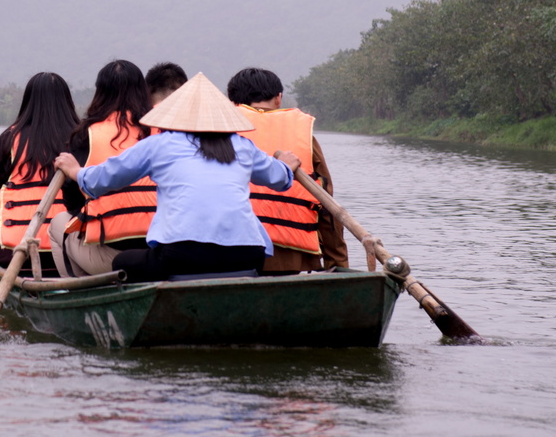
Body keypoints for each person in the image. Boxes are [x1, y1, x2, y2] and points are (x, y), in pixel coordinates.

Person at [53, 73, 299, 282]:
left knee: (122, 261)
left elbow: (100, 181)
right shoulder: (243, 146)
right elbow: (281, 179)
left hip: (182, 257)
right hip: (248, 256)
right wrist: (286, 165)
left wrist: (75, 171)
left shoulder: (159, 145)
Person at [227, 67, 349, 272]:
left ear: (232, 103)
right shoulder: (303, 138)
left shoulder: (219, 135)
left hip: (230, 254)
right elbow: (326, 205)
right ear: (278, 98)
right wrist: (337, 264)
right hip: (294, 258)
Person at [49, 60, 156, 276]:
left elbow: (72, 201)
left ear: (100, 93)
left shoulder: (87, 132)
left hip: (112, 256)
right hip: (161, 251)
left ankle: (80, 293)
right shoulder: (163, 129)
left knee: (59, 223)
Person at [0, 72, 82, 278]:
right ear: (67, 102)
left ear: (28, 102)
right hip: (72, 251)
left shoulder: (8, 140)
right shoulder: (82, 139)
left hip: (17, 253)